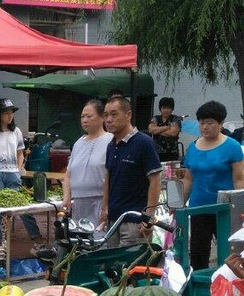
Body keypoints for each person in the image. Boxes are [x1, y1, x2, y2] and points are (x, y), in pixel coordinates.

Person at [181, 101, 244, 270]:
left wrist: (243, 208)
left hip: (224, 209)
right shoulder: (193, 148)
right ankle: (200, 288)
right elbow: (189, 179)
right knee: (198, 254)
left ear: (220, 124)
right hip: (199, 209)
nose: (205, 127)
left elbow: (239, 179)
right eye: (202, 123)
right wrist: (178, 203)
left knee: (230, 254)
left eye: (210, 123)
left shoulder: (232, 146)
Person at [101, 95, 162, 244]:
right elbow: (109, 177)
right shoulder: (111, 145)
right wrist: (104, 208)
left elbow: (155, 180)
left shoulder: (144, 143)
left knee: (131, 266)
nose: (109, 119)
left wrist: (148, 218)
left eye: (114, 114)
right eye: (106, 115)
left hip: (135, 222)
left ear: (128, 115)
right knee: (112, 266)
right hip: (113, 221)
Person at [62, 100, 111, 225]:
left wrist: (106, 205)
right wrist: (67, 197)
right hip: (79, 201)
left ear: (102, 118)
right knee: (81, 236)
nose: (85, 120)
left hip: (100, 200)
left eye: (89, 116)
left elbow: (111, 174)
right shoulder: (79, 143)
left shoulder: (110, 141)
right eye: (82, 116)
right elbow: (68, 174)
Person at [148, 97, 183, 163]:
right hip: (156, 152)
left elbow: (173, 133)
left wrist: (157, 131)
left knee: (171, 173)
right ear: (160, 109)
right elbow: (151, 130)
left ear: (172, 109)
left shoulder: (176, 119)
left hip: (172, 153)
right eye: (164, 108)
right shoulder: (156, 118)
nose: (166, 110)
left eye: (168, 108)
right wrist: (166, 127)